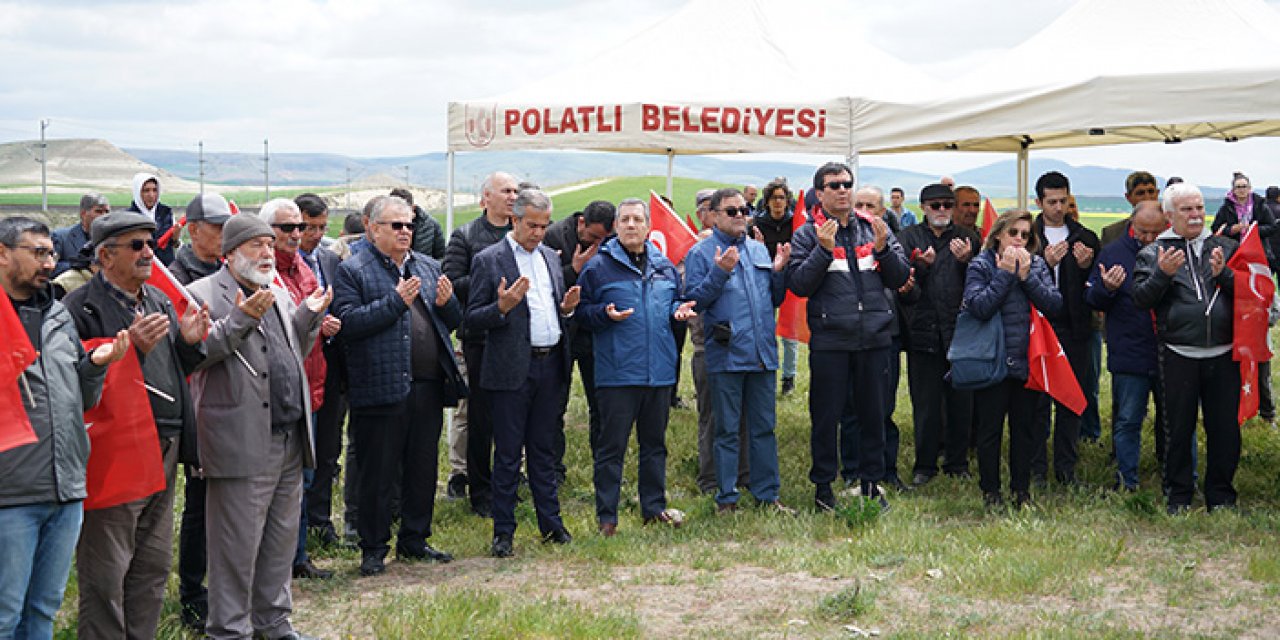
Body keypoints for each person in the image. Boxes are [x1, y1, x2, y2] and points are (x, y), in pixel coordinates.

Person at [64, 211, 209, 639]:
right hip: (116, 452)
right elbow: (77, 385)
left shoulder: (158, 299)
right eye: (137, 246)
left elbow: (173, 371)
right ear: (106, 256)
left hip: (164, 441)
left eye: (150, 243)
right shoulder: (79, 308)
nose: (149, 253)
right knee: (107, 569)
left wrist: (189, 343)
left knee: (152, 563)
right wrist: (132, 352)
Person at [187, 214, 327, 640]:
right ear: (230, 254)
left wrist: (309, 317)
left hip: (289, 436)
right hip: (242, 440)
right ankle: (230, 630)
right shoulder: (201, 294)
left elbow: (292, 351)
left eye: (269, 245)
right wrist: (240, 318)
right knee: (236, 546)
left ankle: (273, 621)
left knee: (280, 540)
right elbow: (198, 354)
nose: (268, 253)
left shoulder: (278, 292)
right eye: (256, 246)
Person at [0, 216, 122, 640]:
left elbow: (81, 400)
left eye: (51, 253)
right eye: (37, 253)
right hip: (10, 492)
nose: (49, 263)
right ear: (2, 254)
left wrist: (94, 367)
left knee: (43, 609)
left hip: (65, 488)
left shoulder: (58, 314)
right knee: (5, 615)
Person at [332, 195, 460, 577]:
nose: (406, 231)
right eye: (396, 225)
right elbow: (348, 324)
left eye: (410, 225)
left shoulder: (428, 266)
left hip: (427, 385)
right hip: (380, 384)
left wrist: (449, 304)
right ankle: (373, 548)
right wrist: (395, 302)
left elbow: (451, 321)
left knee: (422, 468)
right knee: (379, 472)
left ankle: (415, 539)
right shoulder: (353, 270)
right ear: (373, 228)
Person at [786, 162, 909, 512]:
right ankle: (824, 488)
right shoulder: (808, 234)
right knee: (826, 418)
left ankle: (871, 484)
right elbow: (799, 284)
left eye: (847, 184)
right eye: (834, 185)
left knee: (874, 415)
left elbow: (899, 278)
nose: (842, 190)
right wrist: (823, 251)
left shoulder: (874, 228)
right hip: (831, 341)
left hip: (874, 338)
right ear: (819, 193)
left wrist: (884, 249)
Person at [466, 188, 581, 557]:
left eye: (544, 226)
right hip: (511, 369)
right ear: (514, 220)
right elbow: (471, 319)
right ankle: (504, 532)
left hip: (551, 365)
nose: (538, 233)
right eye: (532, 225)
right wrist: (501, 308)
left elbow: (551, 308)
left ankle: (552, 525)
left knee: (544, 451)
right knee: (508, 454)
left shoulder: (549, 257)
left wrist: (566, 310)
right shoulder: (489, 260)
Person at [577, 198, 698, 534]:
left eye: (637, 220)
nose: (631, 225)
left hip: (659, 372)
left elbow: (673, 301)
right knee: (611, 448)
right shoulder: (597, 268)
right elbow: (580, 312)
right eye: (625, 220)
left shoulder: (665, 266)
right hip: (617, 373)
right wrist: (603, 314)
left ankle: (653, 508)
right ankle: (607, 517)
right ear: (616, 226)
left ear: (648, 227)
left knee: (654, 445)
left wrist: (677, 310)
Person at [1133, 183, 1241, 514]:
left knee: (1225, 429)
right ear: (1169, 215)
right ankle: (1178, 495)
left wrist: (1225, 275)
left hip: (1224, 353)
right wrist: (1162, 275)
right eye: (1186, 209)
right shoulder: (1154, 252)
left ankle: (1221, 495)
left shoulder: (1226, 246)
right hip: (1179, 353)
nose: (1195, 215)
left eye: (1199, 207)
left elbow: (1250, 293)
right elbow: (1141, 299)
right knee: (1178, 430)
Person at [685, 188, 794, 514]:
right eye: (732, 211)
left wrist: (779, 272)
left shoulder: (759, 249)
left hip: (762, 355)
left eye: (744, 210)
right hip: (727, 354)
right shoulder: (701, 253)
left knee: (764, 429)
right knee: (727, 430)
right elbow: (694, 301)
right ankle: (727, 497)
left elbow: (774, 299)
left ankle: (767, 495)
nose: (740, 216)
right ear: (714, 215)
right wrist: (720, 272)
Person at [258, 198, 339, 582]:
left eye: (299, 228)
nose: (296, 235)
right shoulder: (263, 273)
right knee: (273, 483)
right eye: (287, 228)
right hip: (276, 393)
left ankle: (297, 556)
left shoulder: (304, 268)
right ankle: (273, 562)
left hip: (311, 385)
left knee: (302, 477)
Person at [962, 209, 1063, 508]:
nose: (1019, 239)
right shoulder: (980, 264)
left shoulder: (1037, 264)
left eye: (1025, 235)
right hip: (991, 359)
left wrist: (1027, 278)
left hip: (1026, 359)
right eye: (1013, 233)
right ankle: (990, 491)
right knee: (989, 430)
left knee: (1024, 430)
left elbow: (1054, 304)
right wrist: (1005, 275)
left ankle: (1022, 491)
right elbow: (978, 307)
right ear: (998, 236)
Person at [170, 192, 232, 631]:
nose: (225, 234)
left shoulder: (228, 270)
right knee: (199, 503)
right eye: (217, 227)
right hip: (197, 403)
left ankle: (226, 587)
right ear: (193, 230)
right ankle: (193, 594)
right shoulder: (175, 280)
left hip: (231, 398)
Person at [443, 171, 518, 518]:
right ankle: (479, 488)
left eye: (516, 190)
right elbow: (452, 282)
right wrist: (492, 275)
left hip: (516, 335)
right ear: (486, 197)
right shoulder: (466, 236)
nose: (513, 196)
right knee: (480, 417)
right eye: (505, 191)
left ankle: (509, 481)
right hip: (480, 337)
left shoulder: (522, 233)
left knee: (512, 416)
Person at [898, 183, 981, 485]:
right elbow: (902, 288)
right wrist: (919, 267)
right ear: (923, 208)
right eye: (936, 205)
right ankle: (925, 465)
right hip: (923, 331)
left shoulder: (968, 238)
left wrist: (967, 261)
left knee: (962, 403)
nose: (942, 210)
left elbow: (980, 281)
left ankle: (957, 462)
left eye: (948, 204)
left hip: (961, 332)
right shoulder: (907, 238)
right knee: (927, 405)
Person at [1085, 201, 1167, 491]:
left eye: (1156, 232)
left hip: (1170, 351)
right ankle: (1126, 480)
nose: (1149, 238)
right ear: (1132, 224)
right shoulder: (1113, 253)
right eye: (1143, 231)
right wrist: (1106, 289)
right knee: (1128, 419)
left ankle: (1176, 478)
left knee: (1174, 421)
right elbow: (1092, 299)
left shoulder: (1175, 250)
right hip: (1130, 350)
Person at [1029, 171, 1099, 486]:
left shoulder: (1085, 237)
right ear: (1039, 202)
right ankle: (1036, 468)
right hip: (1039, 328)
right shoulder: (1027, 235)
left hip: (1075, 328)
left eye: (1063, 201)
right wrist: (1042, 262)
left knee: (1071, 399)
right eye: (1052, 202)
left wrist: (1086, 267)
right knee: (1037, 403)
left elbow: (1096, 286)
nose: (1058, 208)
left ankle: (1066, 468)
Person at [543, 200, 615, 480]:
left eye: (603, 240)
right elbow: (544, 286)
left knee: (601, 402)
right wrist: (573, 269)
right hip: (561, 333)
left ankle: (604, 465)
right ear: (581, 222)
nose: (597, 244)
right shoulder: (552, 237)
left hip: (594, 330)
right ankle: (553, 469)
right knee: (554, 404)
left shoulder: (611, 243)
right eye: (593, 237)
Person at [295, 193, 348, 548]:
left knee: (328, 447)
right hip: (300, 366)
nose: (315, 235)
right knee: (303, 453)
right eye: (308, 227)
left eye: (321, 227)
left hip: (330, 365)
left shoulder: (329, 259)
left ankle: (320, 520)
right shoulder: (282, 265)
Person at [750, 178, 798, 395]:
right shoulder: (756, 225)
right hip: (764, 280)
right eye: (773, 198)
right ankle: (764, 369)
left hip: (790, 279)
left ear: (787, 201)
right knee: (765, 326)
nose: (778, 202)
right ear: (767, 201)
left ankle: (789, 376)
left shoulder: (796, 223)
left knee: (789, 331)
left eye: (781, 198)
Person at [51, 192, 110, 277]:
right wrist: (79, 265)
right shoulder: (61, 237)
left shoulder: (112, 239)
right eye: (98, 211)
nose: (104, 216)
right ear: (83, 214)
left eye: (107, 212)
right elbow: (50, 267)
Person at [127, 172, 178, 265]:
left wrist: (175, 238)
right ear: (138, 192)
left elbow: (174, 244)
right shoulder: (129, 217)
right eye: (146, 191)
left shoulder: (166, 212)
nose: (151, 195)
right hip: (140, 266)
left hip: (166, 266)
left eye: (154, 190)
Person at [1100, 171, 1160, 246]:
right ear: (1128, 197)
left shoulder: (1172, 229)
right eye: (1140, 193)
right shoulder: (1112, 234)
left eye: (1151, 192)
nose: (1147, 197)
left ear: (1157, 193)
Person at [389, 188, 446, 260]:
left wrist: (428, 266)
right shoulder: (383, 225)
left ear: (413, 208)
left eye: (403, 209)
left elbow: (441, 257)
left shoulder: (431, 225)